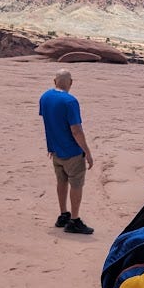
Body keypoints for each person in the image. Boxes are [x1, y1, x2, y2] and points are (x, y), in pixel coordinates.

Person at [38, 69, 94, 234]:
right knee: (76, 184)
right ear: (71, 83)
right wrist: (88, 152)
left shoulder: (45, 97)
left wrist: (51, 146)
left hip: (55, 151)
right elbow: (76, 130)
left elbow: (48, 123)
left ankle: (63, 214)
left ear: (54, 81)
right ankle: (74, 220)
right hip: (72, 152)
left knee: (61, 182)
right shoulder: (70, 101)